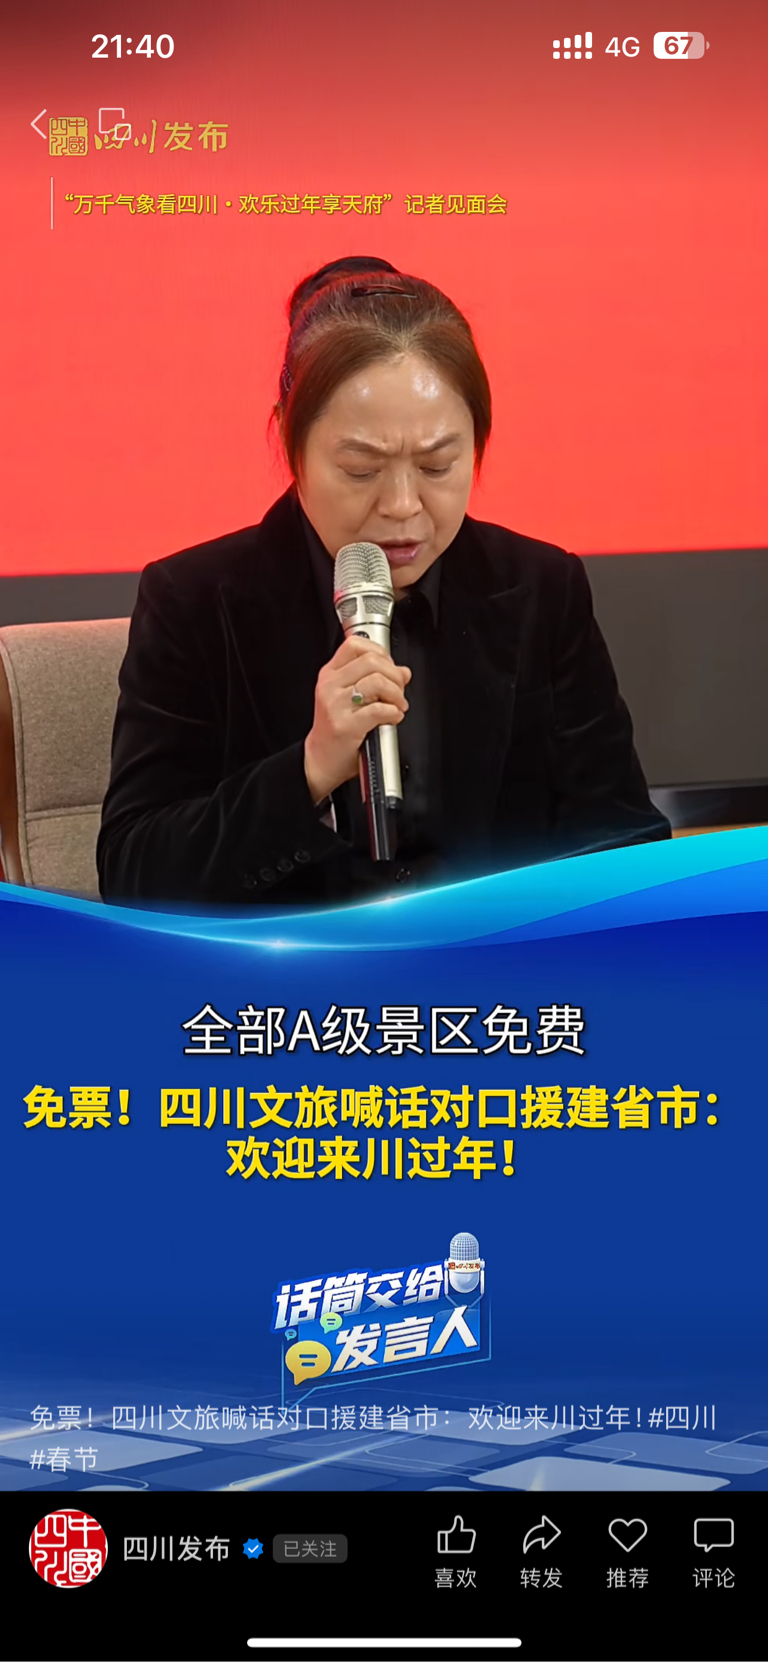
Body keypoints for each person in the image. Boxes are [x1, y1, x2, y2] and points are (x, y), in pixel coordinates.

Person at [97, 255, 670, 907]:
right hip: (286, 967)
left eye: (438, 465)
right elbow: (134, 873)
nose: (402, 506)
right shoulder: (194, 601)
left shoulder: (544, 589)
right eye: (361, 469)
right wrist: (309, 770)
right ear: (289, 442)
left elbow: (624, 840)